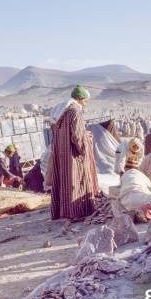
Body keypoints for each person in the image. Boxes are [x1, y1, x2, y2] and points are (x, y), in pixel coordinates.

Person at [50, 85, 99, 221]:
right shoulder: (75, 112)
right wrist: (84, 150)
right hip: (73, 155)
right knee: (75, 181)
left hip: (61, 154)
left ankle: (63, 211)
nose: (86, 103)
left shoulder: (61, 111)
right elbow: (77, 136)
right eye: (85, 100)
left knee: (64, 181)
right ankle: (76, 212)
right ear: (80, 98)